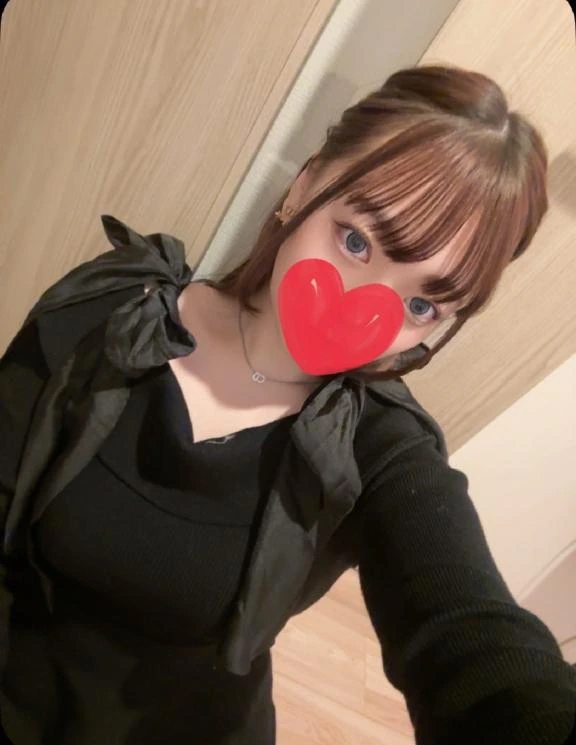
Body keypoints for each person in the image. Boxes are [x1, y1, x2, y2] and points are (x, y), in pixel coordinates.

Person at [0, 64, 575, 745]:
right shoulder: (112, 311)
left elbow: (471, 633)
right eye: (355, 241)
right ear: (303, 185)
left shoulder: (375, 449)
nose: (363, 312)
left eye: (422, 305)